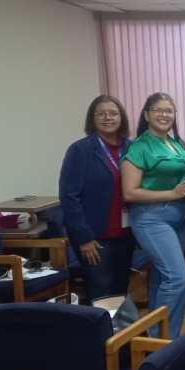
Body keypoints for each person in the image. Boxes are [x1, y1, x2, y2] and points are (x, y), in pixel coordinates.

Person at [121, 92, 185, 337]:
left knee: (162, 277)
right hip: (152, 217)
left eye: (169, 111)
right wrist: (172, 194)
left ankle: (157, 337)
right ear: (146, 115)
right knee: (177, 277)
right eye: (158, 110)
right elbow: (130, 193)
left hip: (181, 216)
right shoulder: (139, 147)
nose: (165, 115)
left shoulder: (175, 143)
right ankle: (165, 340)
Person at [60, 95, 135, 301]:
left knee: (121, 288)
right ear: (92, 119)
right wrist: (84, 238)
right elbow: (69, 197)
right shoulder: (80, 150)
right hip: (94, 237)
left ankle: (120, 332)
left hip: (125, 234)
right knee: (101, 291)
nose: (107, 118)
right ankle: (103, 333)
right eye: (100, 114)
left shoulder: (131, 147)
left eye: (113, 113)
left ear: (121, 117)